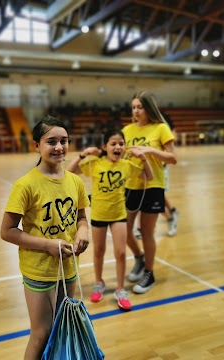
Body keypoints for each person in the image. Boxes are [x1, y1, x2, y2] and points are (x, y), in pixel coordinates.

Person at [0, 115, 90, 359]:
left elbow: (81, 217)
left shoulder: (75, 181)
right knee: (42, 332)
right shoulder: (25, 185)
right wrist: (47, 245)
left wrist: (83, 231)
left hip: (69, 267)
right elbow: (7, 231)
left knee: (62, 328)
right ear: (36, 146)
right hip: (39, 269)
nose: (59, 147)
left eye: (64, 141)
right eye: (51, 141)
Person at [67, 129, 153, 311]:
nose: (118, 147)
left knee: (121, 253)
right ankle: (99, 282)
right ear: (104, 147)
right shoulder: (95, 163)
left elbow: (149, 175)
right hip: (98, 214)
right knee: (98, 251)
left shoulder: (127, 165)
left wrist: (143, 157)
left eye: (121, 143)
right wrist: (82, 154)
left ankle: (120, 289)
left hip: (119, 215)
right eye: (113, 143)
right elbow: (69, 172)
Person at [122, 92, 177, 294]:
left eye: (140, 107)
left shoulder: (161, 128)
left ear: (148, 108)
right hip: (130, 185)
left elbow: (172, 158)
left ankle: (149, 272)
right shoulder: (126, 130)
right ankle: (139, 257)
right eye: (133, 107)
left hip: (153, 186)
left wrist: (149, 151)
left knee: (146, 232)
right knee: (125, 230)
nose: (136, 111)